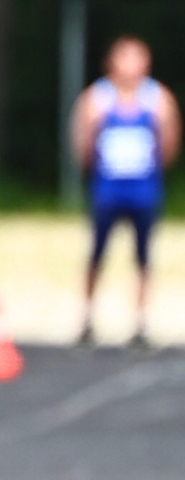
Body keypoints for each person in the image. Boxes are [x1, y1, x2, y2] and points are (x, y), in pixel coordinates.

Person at [73, 35, 179, 347]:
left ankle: (141, 322)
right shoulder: (98, 98)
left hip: (143, 189)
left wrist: (155, 167)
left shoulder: (157, 99)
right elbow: (83, 141)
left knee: (143, 257)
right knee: (97, 253)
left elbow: (169, 141)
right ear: (113, 61)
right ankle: (87, 318)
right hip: (108, 189)